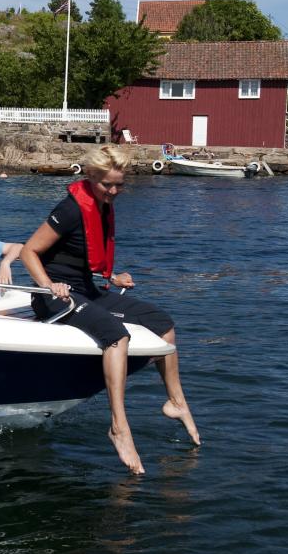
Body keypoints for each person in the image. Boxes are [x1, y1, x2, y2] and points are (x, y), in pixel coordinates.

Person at [20, 145, 199, 475]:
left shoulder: (102, 206)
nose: (115, 191)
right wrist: (49, 285)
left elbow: (81, 258)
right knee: (117, 336)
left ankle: (176, 403)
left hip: (86, 290)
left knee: (163, 324)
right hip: (55, 296)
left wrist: (112, 277)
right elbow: (28, 252)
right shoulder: (71, 208)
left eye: (120, 184)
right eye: (108, 185)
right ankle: (118, 426)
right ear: (90, 178)